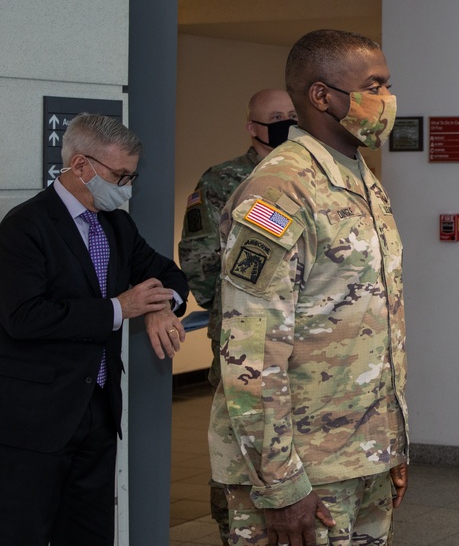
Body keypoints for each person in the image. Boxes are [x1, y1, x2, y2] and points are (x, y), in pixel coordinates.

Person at [209, 29, 409, 546]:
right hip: (303, 471)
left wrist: (391, 447)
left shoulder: (360, 177)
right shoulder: (281, 190)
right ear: (321, 96)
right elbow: (251, 352)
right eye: (375, 85)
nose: (387, 100)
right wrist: (280, 485)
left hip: (361, 455)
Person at [0, 113, 189, 546]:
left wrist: (159, 306)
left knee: (89, 533)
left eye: (132, 177)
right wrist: (120, 308)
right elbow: (24, 317)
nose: (126, 187)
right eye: (119, 176)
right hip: (37, 420)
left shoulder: (117, 225)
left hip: (98, 412)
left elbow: (166, 273)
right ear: (81, 166)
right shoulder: (25, 226)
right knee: (22, 532)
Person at [178, 88, 296, 545]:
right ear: (253, 127)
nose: (287, 122)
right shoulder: (224, 180)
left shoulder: (308, 176)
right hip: (240, 339)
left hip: (300, 341)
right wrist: (236, 311)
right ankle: (234, 526)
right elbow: (199, 258)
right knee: (239, 440)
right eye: (276, 117)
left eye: (292, 115)